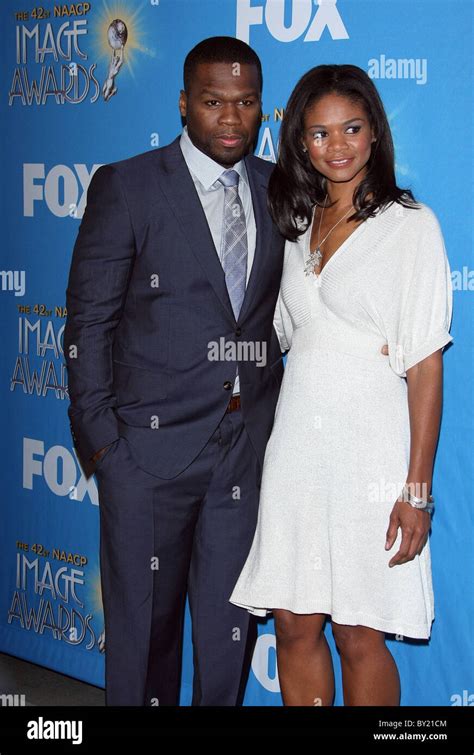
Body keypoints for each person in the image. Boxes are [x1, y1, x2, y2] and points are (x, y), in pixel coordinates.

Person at [63, 36, 286, 706]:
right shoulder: (128, 185)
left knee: (227, 639)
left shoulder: (278, 187)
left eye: (245, 103)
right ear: (185, 102)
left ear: (260, 109)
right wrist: (105, 445)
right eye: (214, 101)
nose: (229, 117)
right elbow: (88, 324)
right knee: (142, 646)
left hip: (241, 458)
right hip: (147, 456)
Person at [229, 64, 454, 706]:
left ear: (375, 133)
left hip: (374, 452)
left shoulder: (412, 227)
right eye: (320, 133)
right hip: (298, 447)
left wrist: (416, 492)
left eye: (352, 128)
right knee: (296, 625)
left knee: (359, 632)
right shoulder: (295, 227)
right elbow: (280, 335)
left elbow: (425, 367)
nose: (339, 146)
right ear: (300, 143)